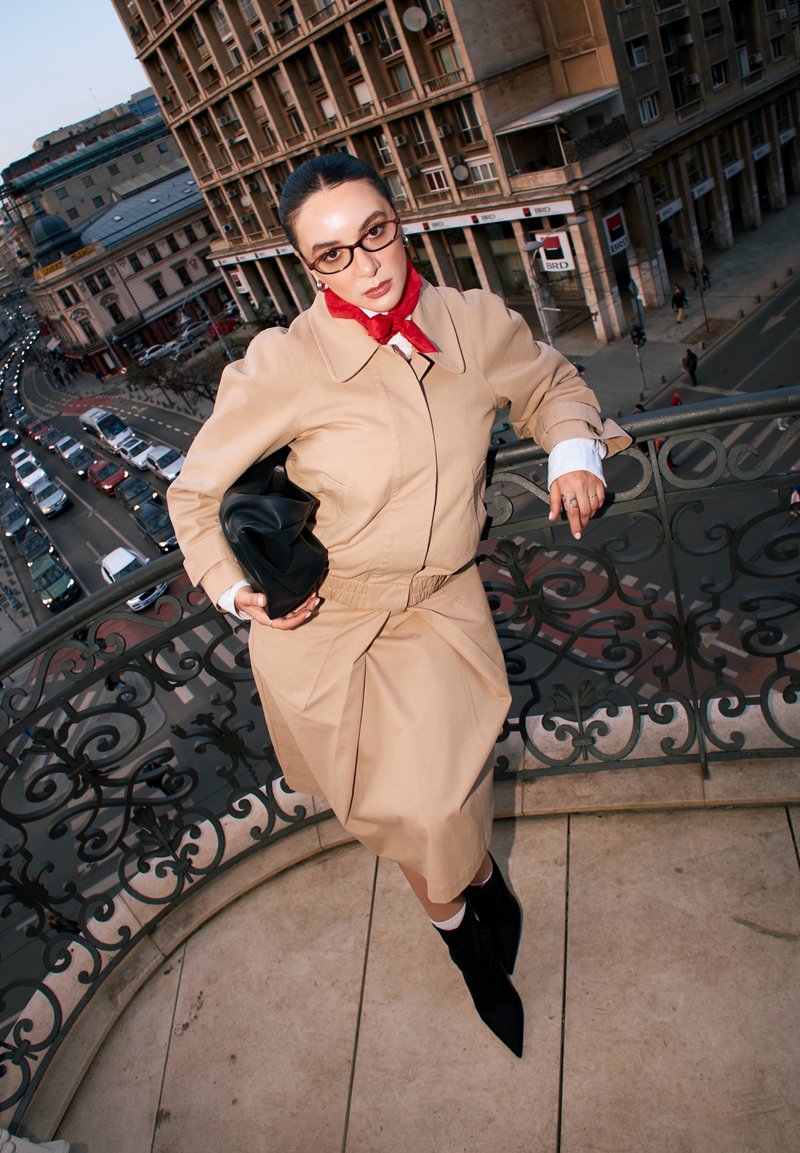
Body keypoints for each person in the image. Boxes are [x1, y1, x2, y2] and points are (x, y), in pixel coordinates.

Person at [167, 154, 630, 1058]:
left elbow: (549, 385)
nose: (366, 263)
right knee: (413, 817)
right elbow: (194, 492)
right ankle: (467, 941)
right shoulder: (284, 363)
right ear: (308, 267)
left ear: (398, 220)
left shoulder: (471, 322)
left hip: (440, 607)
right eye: (331, 253)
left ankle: (477, 889)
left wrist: (575, 451)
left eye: (374, 232)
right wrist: (231, 586)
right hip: (327, 626)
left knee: (446, 800)